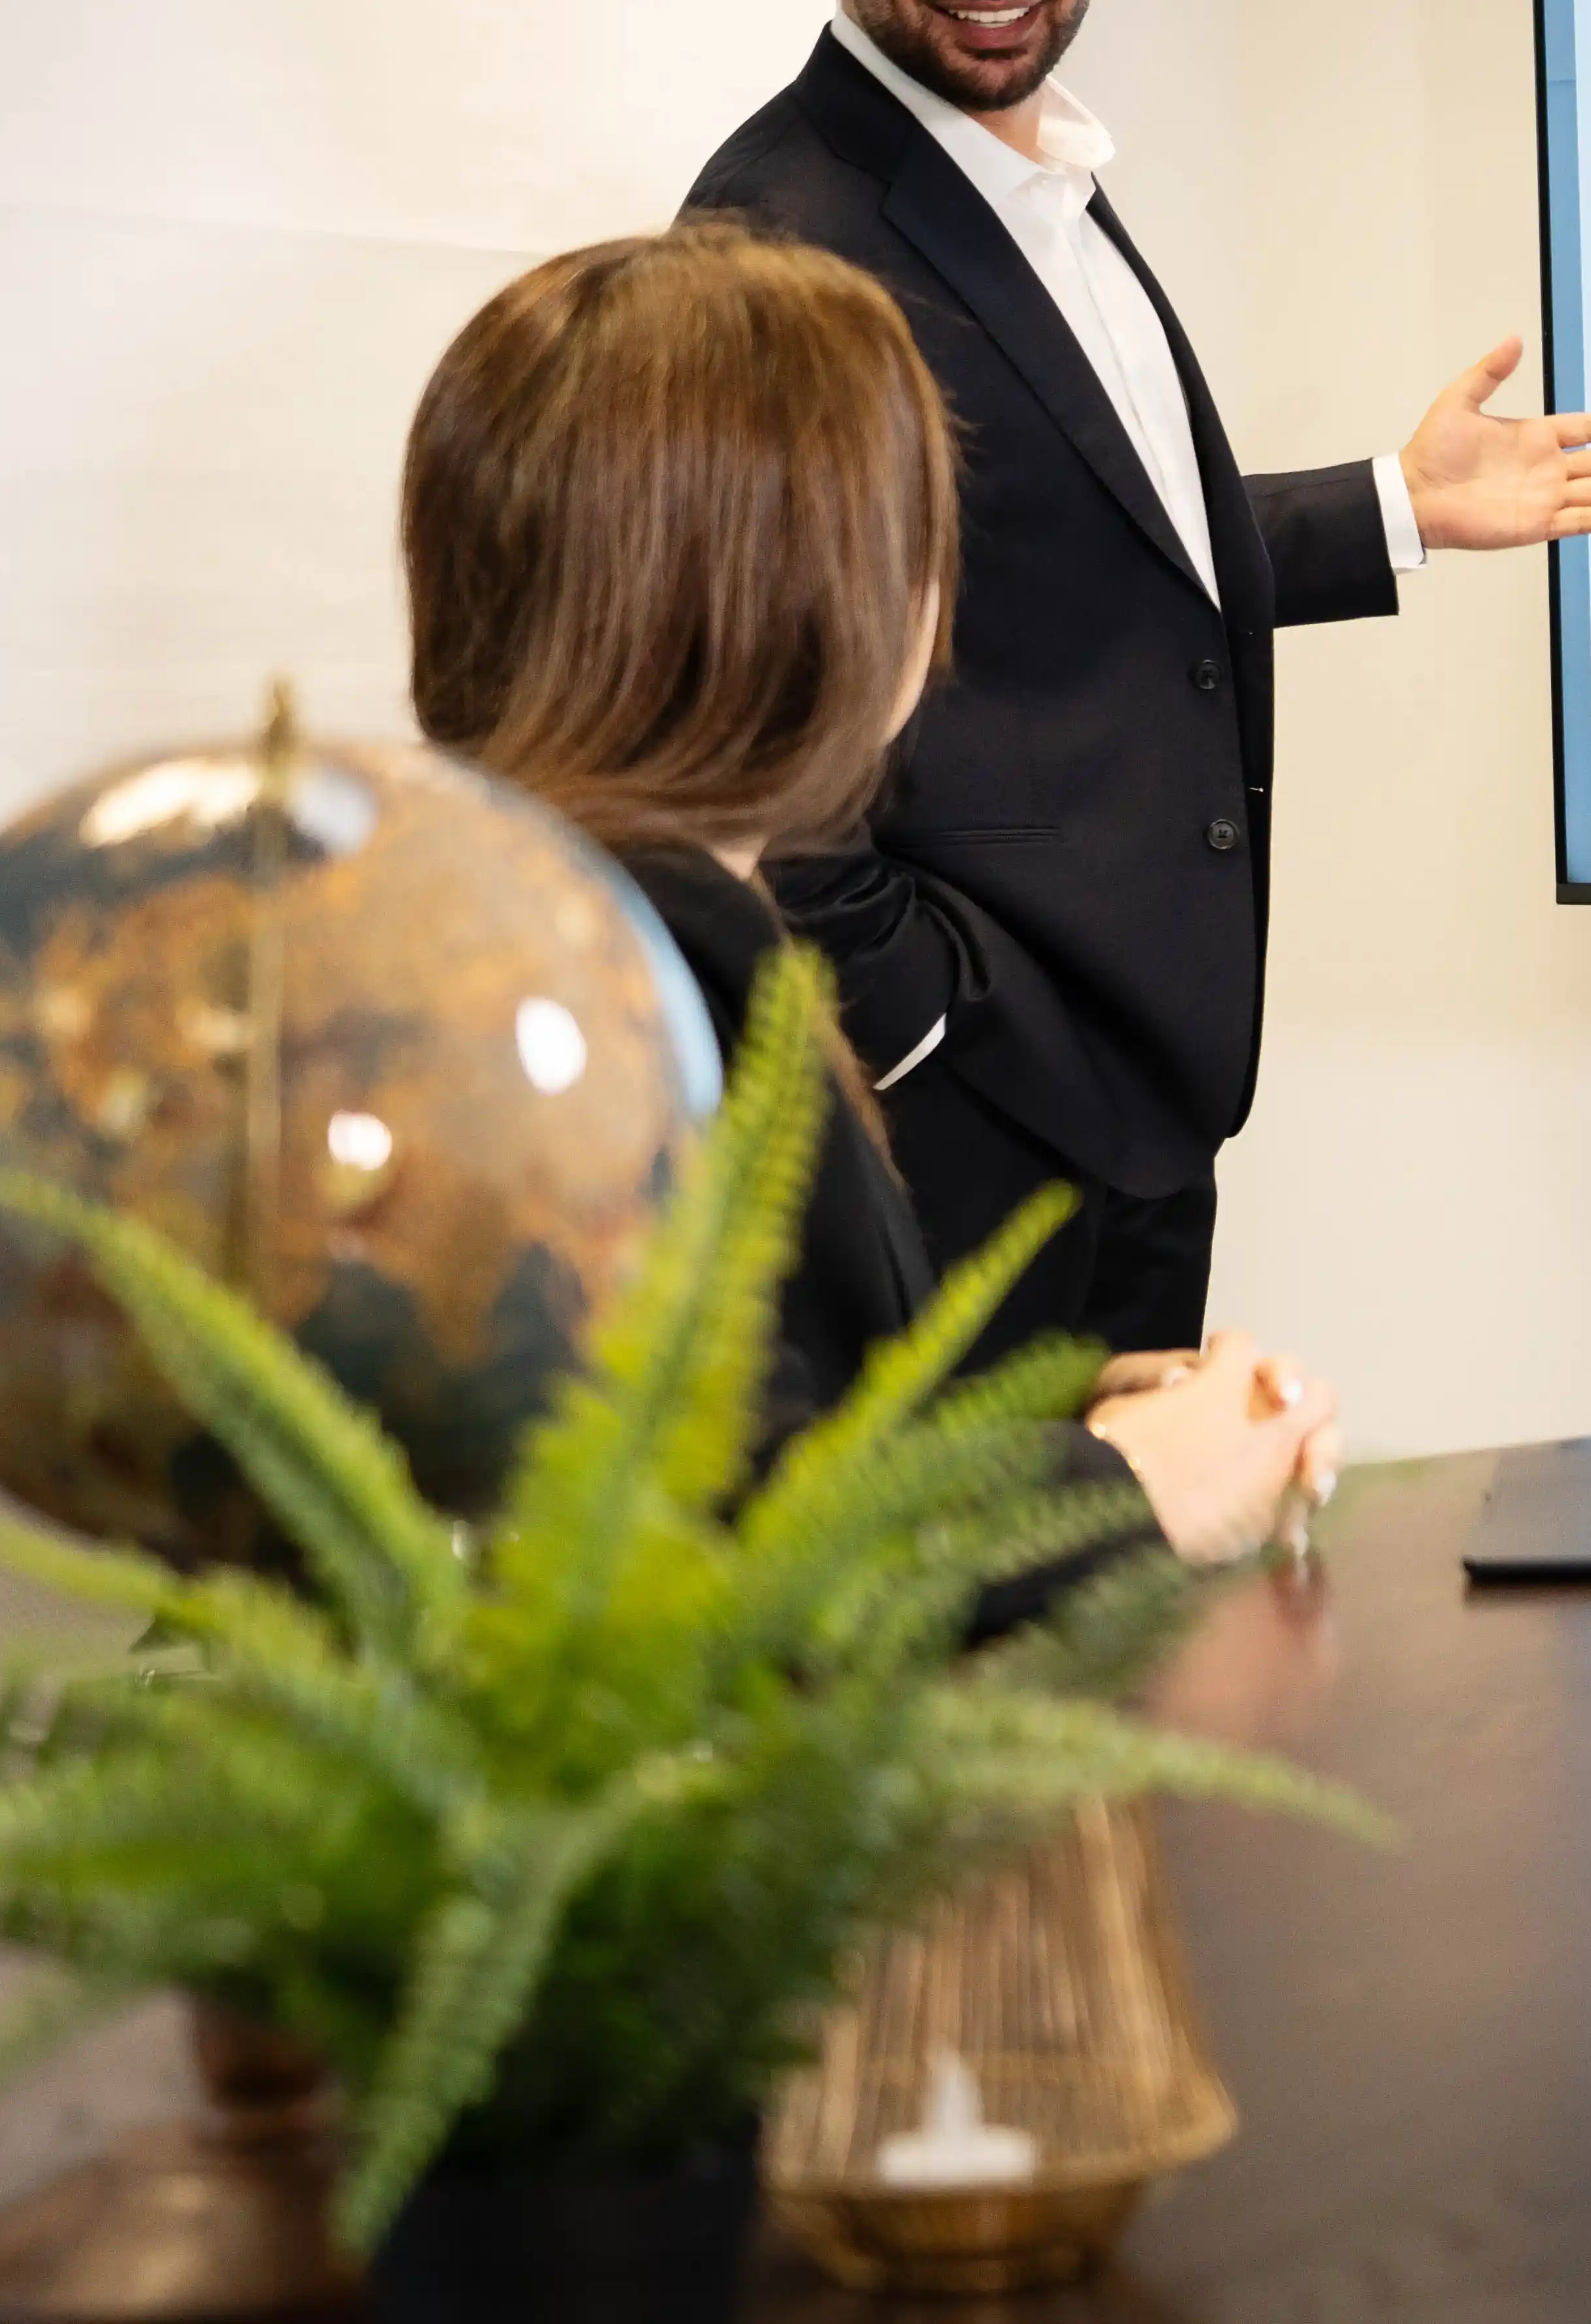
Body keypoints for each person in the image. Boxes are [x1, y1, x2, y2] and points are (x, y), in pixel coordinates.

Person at [684, 0, 1591, 1361]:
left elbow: (1067, 548)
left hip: (1127, 1100)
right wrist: (925, 1039)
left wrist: (1396, 507)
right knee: (1006, 1541)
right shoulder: (782, 245)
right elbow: (737, 732)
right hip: (963, 1131)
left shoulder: (1032, 178)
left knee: (1124, 1529)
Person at [400, 221, 1334, 1562]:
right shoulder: (661, 1006)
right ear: (821, 602)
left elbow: (753, 1432)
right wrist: (1129, 1490)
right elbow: (752, 1564)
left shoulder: (521, 941)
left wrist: (1071, 1424)